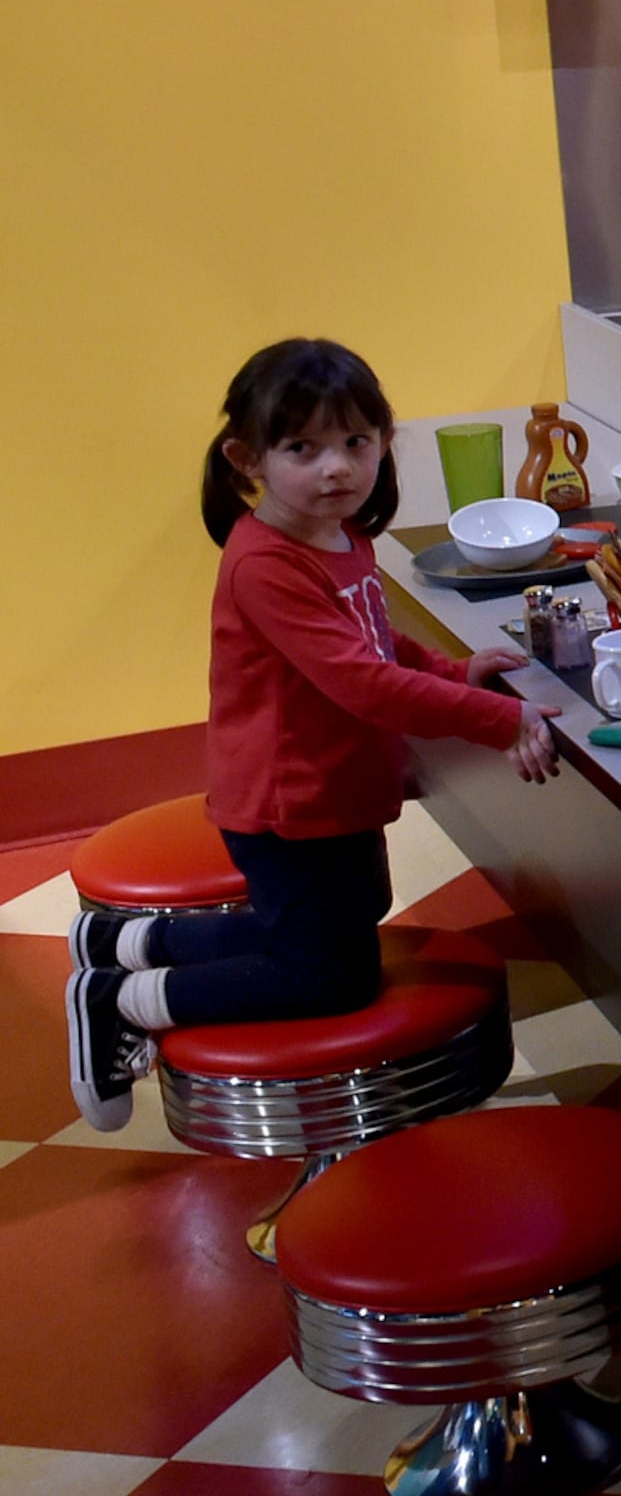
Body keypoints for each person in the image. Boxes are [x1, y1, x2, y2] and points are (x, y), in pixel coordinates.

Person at [65, 340, 559, 1132]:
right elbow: (361, 682)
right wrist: (500, 718)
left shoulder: (341, 535)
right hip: (286, 803)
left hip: (337, 791)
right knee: (327, 977)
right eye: (304, 448)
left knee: (350, 907)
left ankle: (124, 940)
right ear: (247, 457)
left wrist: (452, 670)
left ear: (384, 440)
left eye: (355, 442)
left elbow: (375, 642)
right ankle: (120, 997)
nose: (336, 467)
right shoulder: (265, 562)